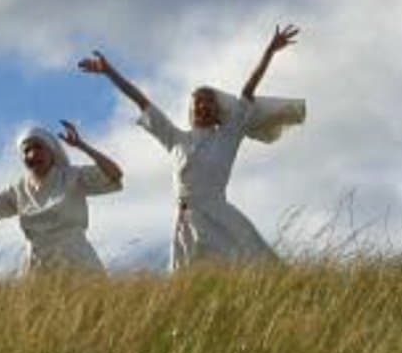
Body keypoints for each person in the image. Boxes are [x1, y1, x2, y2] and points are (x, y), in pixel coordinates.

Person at [78, 24, 306, 270]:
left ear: (218, 111)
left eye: (209, 103)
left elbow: (248, 91)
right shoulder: (176, 140)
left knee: (249, 267)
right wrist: (109, 72)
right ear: (192, 109)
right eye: (198, 103)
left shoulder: (227, 136)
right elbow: (141, 102)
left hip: (220, 218)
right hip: (185, 223)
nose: (203, 107)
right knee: (189, 283)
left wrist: (269, 52)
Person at [0, 121, 123, 274]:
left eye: (39, 148)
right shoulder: (18, 190)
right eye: (27, 150)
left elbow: (114, 175)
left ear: (52, 152)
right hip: (39, 270)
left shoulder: (72, 176)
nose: (33, 155)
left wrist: (82, 146)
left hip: (80, 264)